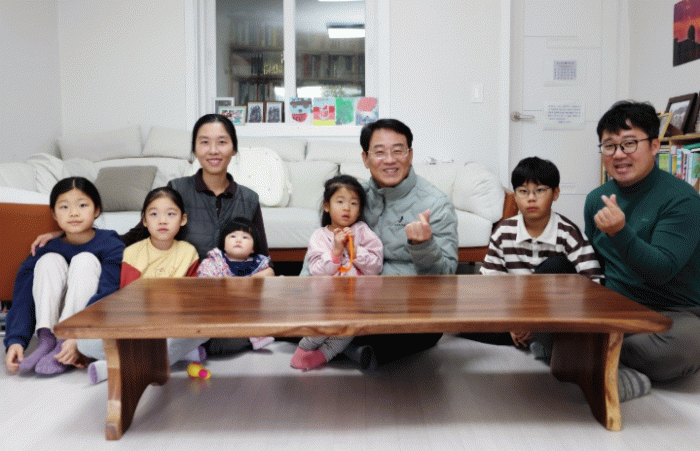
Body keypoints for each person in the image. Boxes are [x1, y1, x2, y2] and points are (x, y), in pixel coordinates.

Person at [32, 114, 270, 357]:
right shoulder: (177, 189)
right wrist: (72, 233)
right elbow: (133, 236)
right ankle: (174, 346)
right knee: (209, 339)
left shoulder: (249, 198)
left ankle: (164, 348)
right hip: (184, 303)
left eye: (222, 142)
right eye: (204, 142)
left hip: (228, 299)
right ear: (194, 149)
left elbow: (263, 259)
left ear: (234, 148)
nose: (213, 150)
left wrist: (251, 281)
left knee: (229, 339)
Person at [301, 119, 458, 369]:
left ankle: (345, 345)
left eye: (398, 151)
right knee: (299, 320)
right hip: (352, 298)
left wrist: (424, 245)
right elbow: (322, 241)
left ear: (410, 155)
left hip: (404, 303)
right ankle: (353, 347)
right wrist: (304, 295)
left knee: (425, 330)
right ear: (365, 158)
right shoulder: (354, 197)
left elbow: (446, 277)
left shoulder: (435, 203)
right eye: (380, 152)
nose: (389, 160)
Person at [582, 100, 700, 401]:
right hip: (614, 307)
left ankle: (592, 357)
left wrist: (620, 233)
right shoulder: (596, 199)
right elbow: (594, 262)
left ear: (654, 146)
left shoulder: (682, 200)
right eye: (609, 146)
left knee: (686, 346)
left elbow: (660, 271)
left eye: (629, 144)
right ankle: (605, 361)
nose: (618, 154)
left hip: (671, 313)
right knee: (551, 281)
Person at [77, 187, 208, 384]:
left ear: (183, 219)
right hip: (138, 325)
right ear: (144, 221)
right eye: (154, 214)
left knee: (203, 331)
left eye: (170, 214)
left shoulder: (189, 252)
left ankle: (115, 367)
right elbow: (129, 300)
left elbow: (191, 299)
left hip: (172, 324)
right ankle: (176, 356)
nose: (162, 220)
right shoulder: (132, 253)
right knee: (83, 343)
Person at [473, 156, 603, 347]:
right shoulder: (504, 231)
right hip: (514, 312)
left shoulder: (568, 233)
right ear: (514, 196)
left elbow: (594, 283)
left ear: (555, 193)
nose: (531, 198)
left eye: (540, 190)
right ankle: (522, 335)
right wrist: (513, 322)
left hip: (554, 315)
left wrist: (534, 321)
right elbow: (490, 285)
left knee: (556, 266)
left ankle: (535, 335)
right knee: (464, 321)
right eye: (523, 191)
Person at [4, 177, 124, 374]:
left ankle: (67, 341)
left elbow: (109, 292)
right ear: (54, 213)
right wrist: (15, 341)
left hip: (88, 322)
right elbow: (23, 296)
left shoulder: (111, 244)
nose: (73, 213)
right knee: (48, 260)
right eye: (64, 207)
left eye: (82, 205)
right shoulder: (45, 247)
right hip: (54, 320)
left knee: (85, 260)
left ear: (96, 210)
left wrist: (81, 337)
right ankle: (47, 341)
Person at [291, 174, 383, 370]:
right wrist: (336, 251)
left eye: (353, 203)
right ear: (327, 206)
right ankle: (303, 349)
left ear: (360, 209)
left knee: (346, 333)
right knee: (322, 328)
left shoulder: (363, 231)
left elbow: (375, 267)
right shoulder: (319, 236)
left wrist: (354, 250)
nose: (346, 208)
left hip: (356, 303)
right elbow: (316, 270)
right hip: (327, 302)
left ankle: (322, 356)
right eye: (340, 202)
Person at [197, 216, 275, 351]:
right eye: (233, 236)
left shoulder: (258, 263)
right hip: (220, 310)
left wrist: (253, 279)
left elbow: (269, 277)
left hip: (247, 311)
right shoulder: (214, 262)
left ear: (253, 248)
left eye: (245, 237)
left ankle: (253, 336)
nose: (238, 240)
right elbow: (205, 284)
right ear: (224, 244)